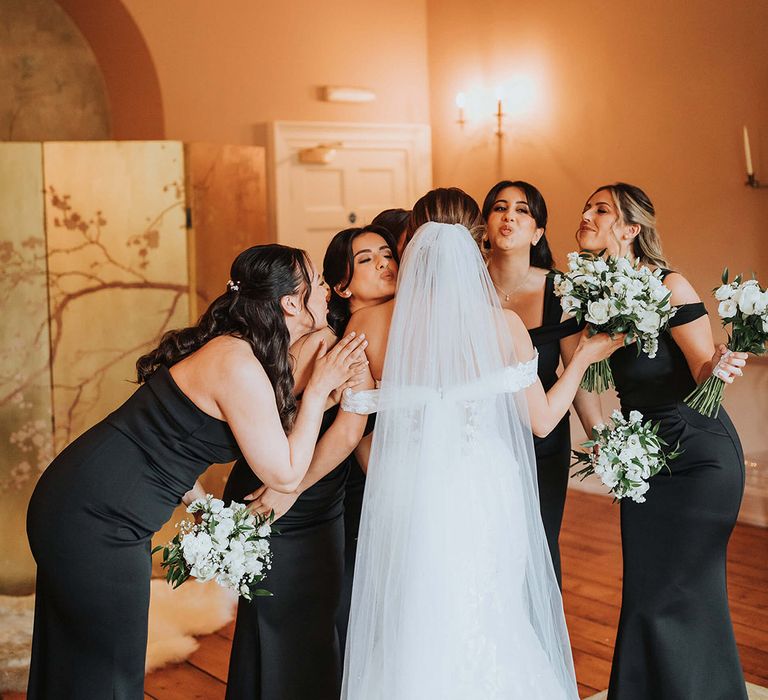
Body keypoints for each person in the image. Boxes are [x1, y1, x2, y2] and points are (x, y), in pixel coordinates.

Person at [25, 244, 367, 700]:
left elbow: (169, 439)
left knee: (74, 659)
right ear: (290, 302)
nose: (328, 292)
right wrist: (320, 388)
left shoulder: (244, 354)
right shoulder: (236, 363)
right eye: (320, 284)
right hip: (96, 516)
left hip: (82, 499)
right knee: (108, 667)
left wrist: (202, 505)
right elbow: (285, 474)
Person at [340, 188, 624, 699]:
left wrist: (389, 473)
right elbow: (541, 422)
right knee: (490, 609)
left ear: (410, 244)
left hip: (407, 484)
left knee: (414, 613)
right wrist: (580, 358)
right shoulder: (503, 325)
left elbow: (355, 429)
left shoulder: (368, 326)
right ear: (475, 245)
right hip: (484, 487)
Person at [576, 182, 749, 700]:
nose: (586, 214)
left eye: (600, 209)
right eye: (586, 207)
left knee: (686, 593)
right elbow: (577, 375)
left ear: (630, 230)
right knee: (646, 593)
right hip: (642, 458)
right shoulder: (584, 295)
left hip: (698, 454)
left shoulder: (670, 285)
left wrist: (719, 366)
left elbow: (702, 371)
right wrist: (604, 441)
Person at [223, 226, 396, 700]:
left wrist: (294, 487)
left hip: (317, 496)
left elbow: (351, 429)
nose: (385, 263)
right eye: (319, 279)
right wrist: (289, 489)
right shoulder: (325, 343)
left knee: (303, 626)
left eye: (388, 253)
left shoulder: (341, 337)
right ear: (339, 287)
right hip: (282, 495)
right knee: (288, 627)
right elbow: (347, 430)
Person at [483, 180, 597, 584]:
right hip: (479, 440)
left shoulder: (560, 290)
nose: (509, 216)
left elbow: (576, 372)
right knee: (487, 547)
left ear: (538, 231)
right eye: (499, 207)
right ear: (485, 224)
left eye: (522, 210)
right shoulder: (464, 288)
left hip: (543, 439)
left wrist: (598, 434)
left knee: (540, 545)